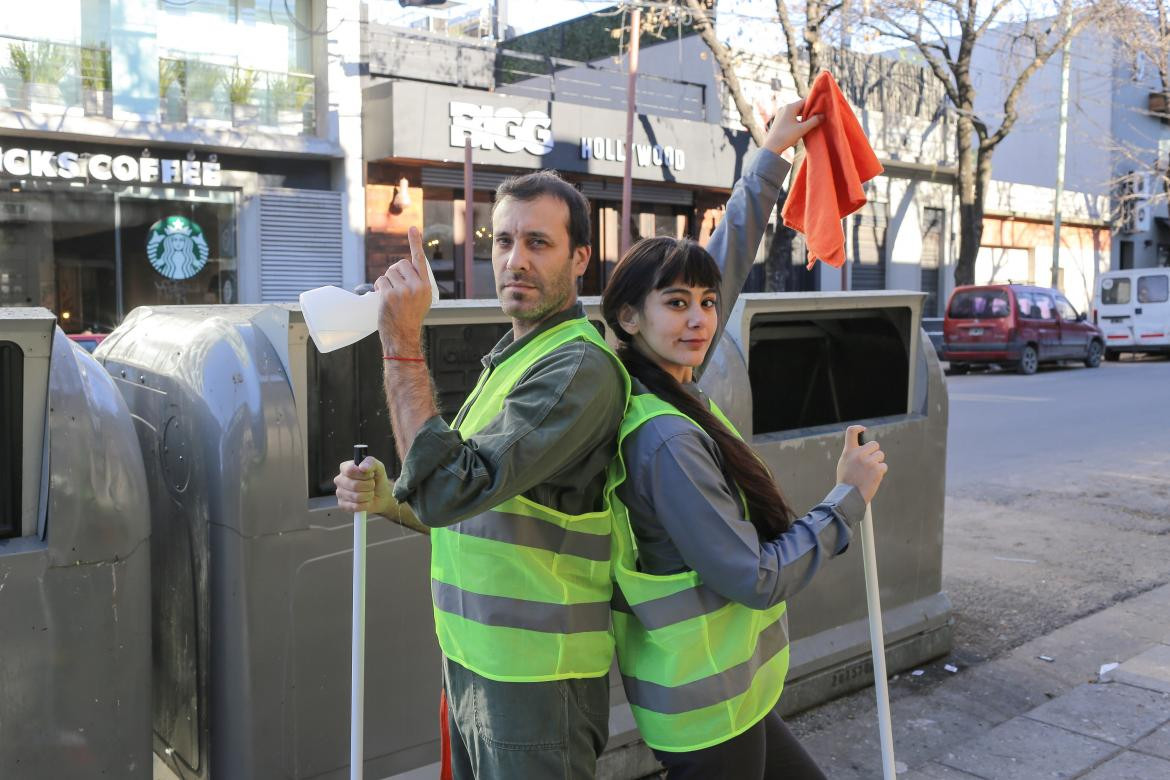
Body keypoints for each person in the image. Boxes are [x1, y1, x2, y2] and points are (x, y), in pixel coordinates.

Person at [332, 98, 822, 779]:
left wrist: (400, 344)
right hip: (476, 666)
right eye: (503, 241)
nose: (515, 260)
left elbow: (716, 271)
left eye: (539, 243)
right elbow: (471, 506)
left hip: (538, 681)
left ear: (581, 259)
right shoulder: (513, 359)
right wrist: (393, 499)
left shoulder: (582, 367)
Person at [599, 236, 888, 779]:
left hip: (725, 692)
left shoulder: (673, 398)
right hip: (706, 707)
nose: (700, 320)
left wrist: (774, 154)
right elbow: (754, 576)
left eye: (709, 302)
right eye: (677, 302)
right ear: (629, 317)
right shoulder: (667, 438)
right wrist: (847, 498)